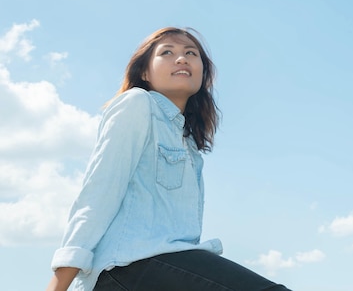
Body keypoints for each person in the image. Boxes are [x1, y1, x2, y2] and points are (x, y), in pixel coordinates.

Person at [46, 27, 291, 291]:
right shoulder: (137, 104)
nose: (182, 59)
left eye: (190, 53)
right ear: (144, 72)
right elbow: (98, 195)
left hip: (159, 270)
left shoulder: (188, 144)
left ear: (203, 72)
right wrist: (58, 286)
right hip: (129, 267)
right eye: (167, 52)